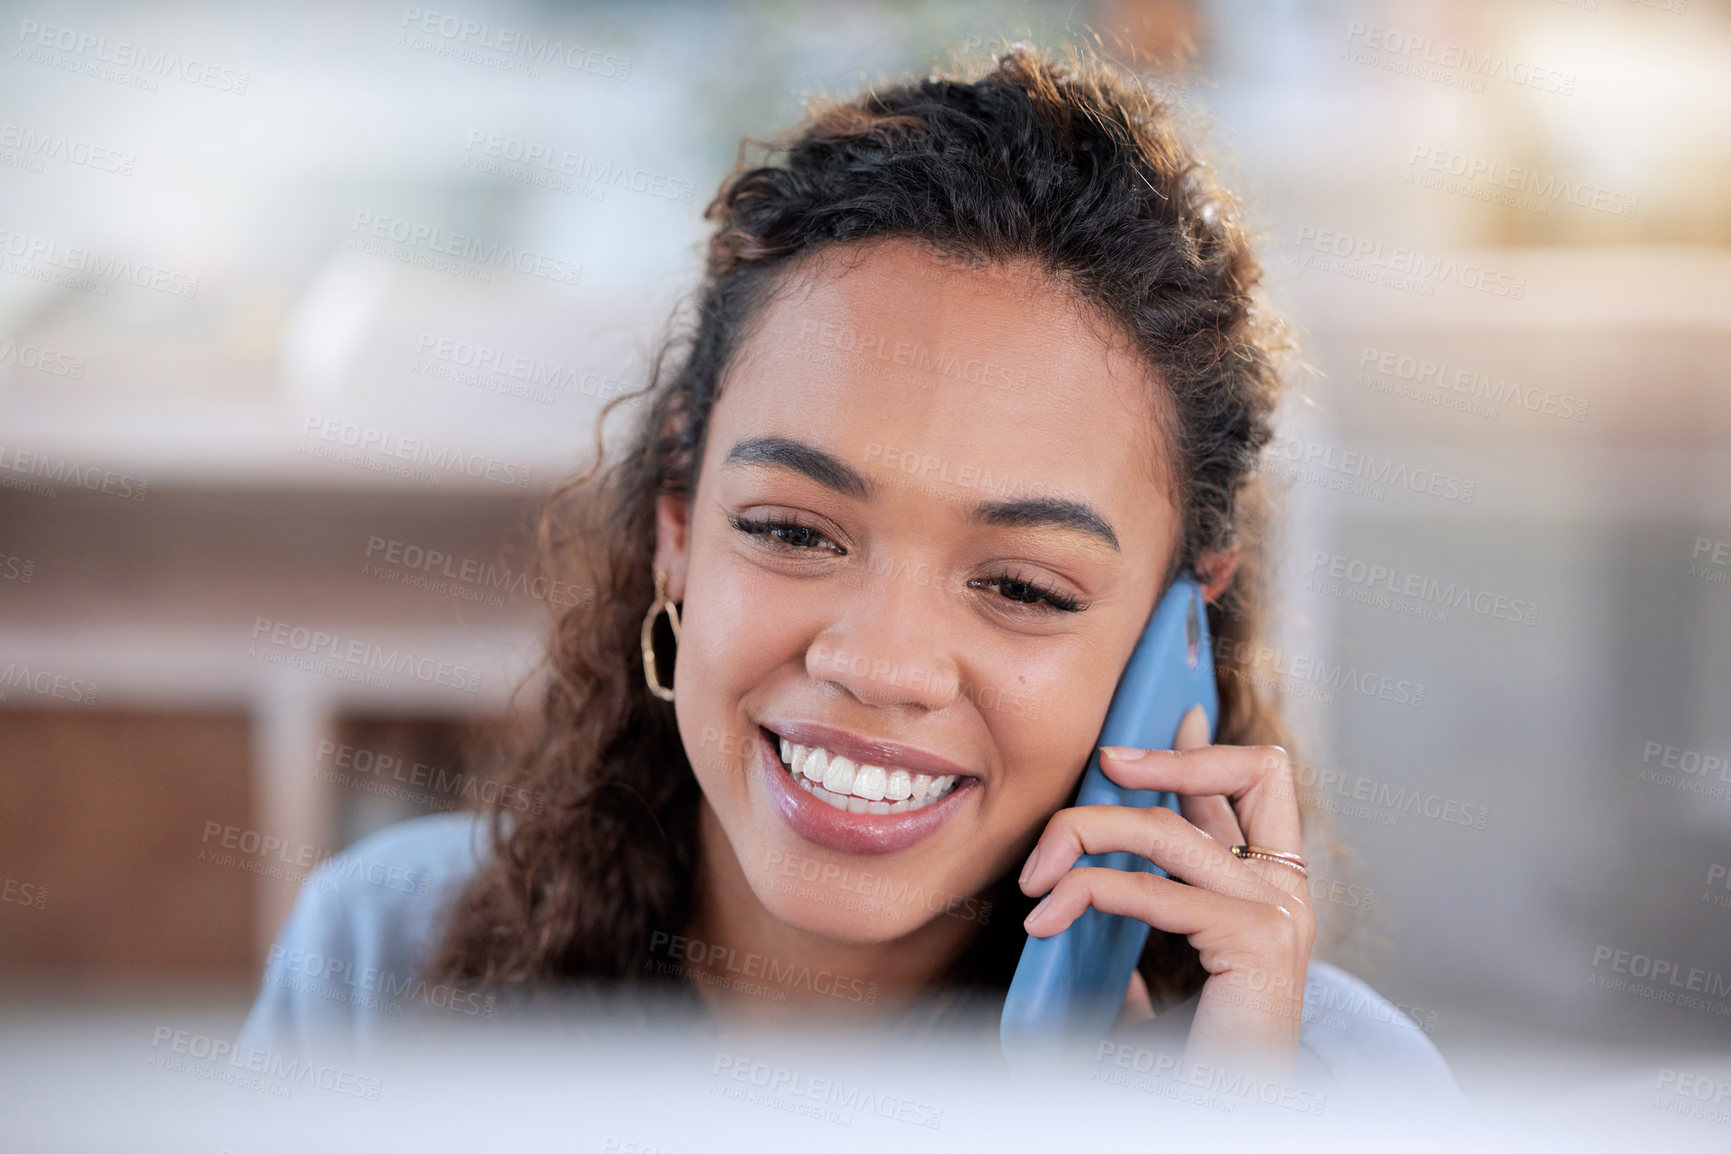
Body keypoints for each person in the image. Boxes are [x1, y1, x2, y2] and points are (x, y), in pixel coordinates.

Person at [241, 44, 1455, 1099]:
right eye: (793, 530)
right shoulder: (381, 962)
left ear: (1171, 634)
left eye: (1024, 586)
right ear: (677, 523)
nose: (878, 663)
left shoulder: (1324, 1088)